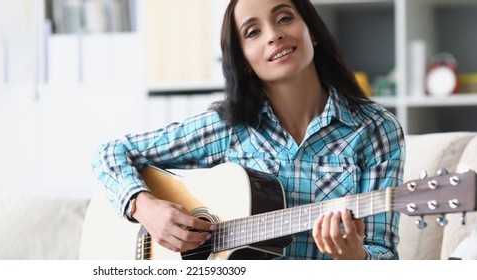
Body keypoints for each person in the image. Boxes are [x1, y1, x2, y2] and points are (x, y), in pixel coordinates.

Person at [92, 0, 404, 260]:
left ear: (313, 32)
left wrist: (355, 259)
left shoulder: (375, 129)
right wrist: (145, 207)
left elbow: (384, 255)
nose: (274, 35)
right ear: (243, 61)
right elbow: (110, 153)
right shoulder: (227, 127)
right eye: (253, 32)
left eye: (284, 18)